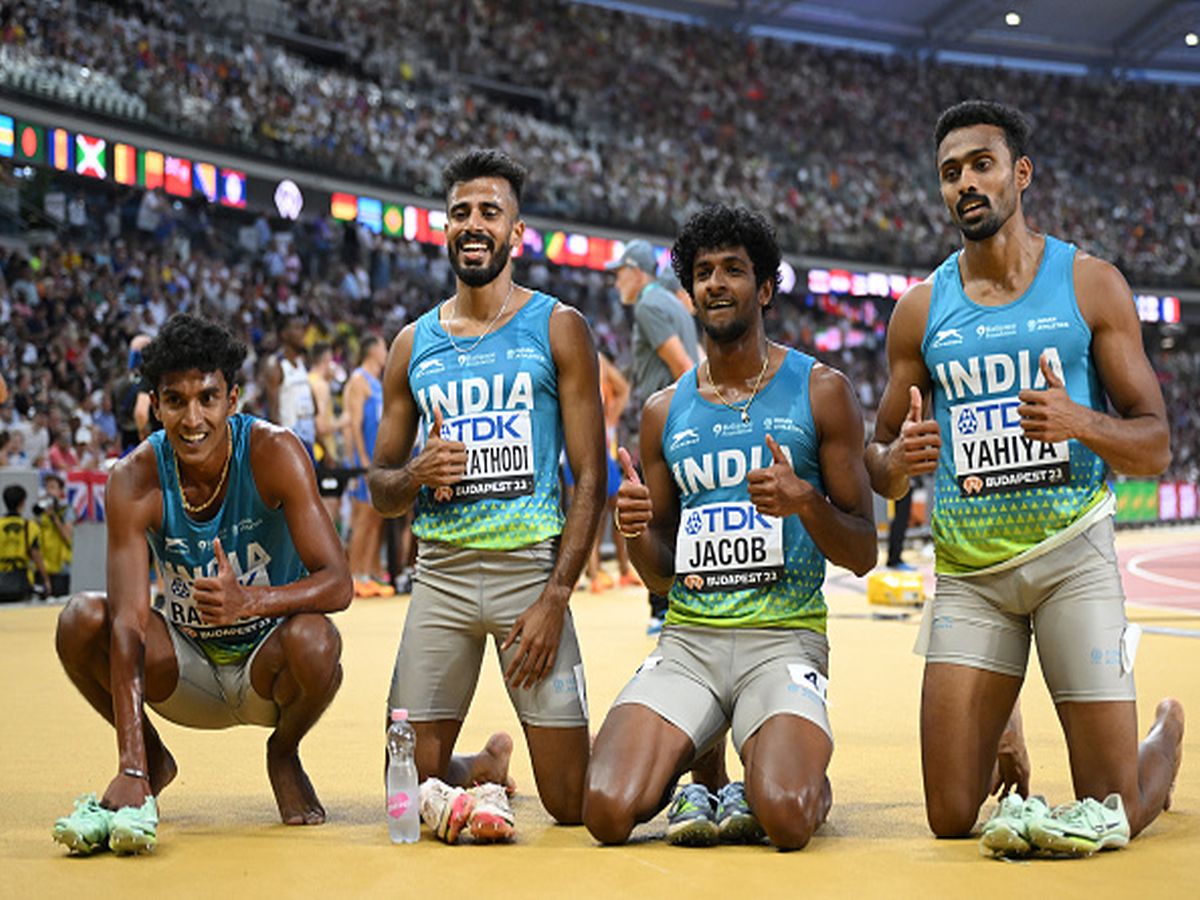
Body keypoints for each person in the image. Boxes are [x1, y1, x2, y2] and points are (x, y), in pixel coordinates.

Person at [865, 99, 1184, 857]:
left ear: (1021, 173)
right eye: (950, 174)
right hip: (973, 577)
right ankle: (1001, 716)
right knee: (950, 814)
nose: (965, 184)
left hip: (1072, 560)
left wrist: (1078, 421)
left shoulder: (1091, 285)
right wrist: (898, 462)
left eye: (981, 164)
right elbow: (876, 464)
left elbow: (1157, 445)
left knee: (1113, 806)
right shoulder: (919, 311)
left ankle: (1165, 741)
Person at [584, 205, 877, 850]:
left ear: (765, 288)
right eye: (704, 272)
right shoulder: (664, 412)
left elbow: (863, 552)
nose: (717, 283)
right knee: (605, 811)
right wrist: (634, 530)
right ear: (687, 294)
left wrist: (806, 502)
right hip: (690, 643)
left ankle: (788, 771)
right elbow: (661, 566)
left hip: (784, 640)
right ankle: (702, 758)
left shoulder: (821, 391)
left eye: (734, 271)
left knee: (786, 817)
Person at [368, 148, 605, 842]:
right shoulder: (413, 343)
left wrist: (556, 596)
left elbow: (589, 476)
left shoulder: (558, 327)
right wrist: (414, 473)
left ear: (515, 232)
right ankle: (484, 764)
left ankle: (503, 760)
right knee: (403, 798)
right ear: (446, 229)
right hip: (439, 576)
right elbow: (380, 489)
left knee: (571, 803)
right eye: (461, 213)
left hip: (529, 576)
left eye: (489, 212)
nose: (474, 225)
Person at [52, 313, 352, 856]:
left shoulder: (274, 452)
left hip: (268, 666)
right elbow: (126, 621)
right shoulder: (134, 476)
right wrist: (130, 764)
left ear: (232, 399)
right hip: (184, 669)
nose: (193, 419)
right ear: (156, 406)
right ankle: (153, 760)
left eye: (208, 398)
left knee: (318, 640)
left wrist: (250, 601)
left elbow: (339, 583)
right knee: (80, 619)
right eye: (175, 401)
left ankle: (283, 752)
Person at [607, 239, 699, 633]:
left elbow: (681, 365)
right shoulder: (675, 304)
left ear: (636, 271)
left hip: (667, 421)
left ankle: (662, 608)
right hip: (682, 419)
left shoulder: (648, 305)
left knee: (658, 514)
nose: (615, 282)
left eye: (619, 272)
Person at [344, 335, 394, 598]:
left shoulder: (378, 383)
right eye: (384, 347)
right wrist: (361, 459)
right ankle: (353, 575)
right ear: (373, 350)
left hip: (379, 460)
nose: (387, 352)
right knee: (362, 518)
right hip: (363, 461)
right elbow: (353, 424)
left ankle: (368, 573)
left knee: (376, 518)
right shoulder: (358, 380)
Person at [263, 314, 317, 458]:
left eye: (302, 328)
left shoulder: (302, 364)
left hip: (308, 441)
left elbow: (312, 409)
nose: (303, 332)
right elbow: (273, 414)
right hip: (289, 444)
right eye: (297, 328)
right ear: (284, 334)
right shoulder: (276, 365)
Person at [0, 484, 50, 602]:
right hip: (22, 582)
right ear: (22, 503)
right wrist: (46, 580)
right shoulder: (30, 526)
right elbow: (36, 555)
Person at [38, 472, 75, 597]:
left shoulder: (66, 511)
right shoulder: (40, 511)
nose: (49, 491)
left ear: (60, 492)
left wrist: (54, 517)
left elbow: (67, 536)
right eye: (47, 487)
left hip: (60, 568)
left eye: (53, 487)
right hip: (43, 567)